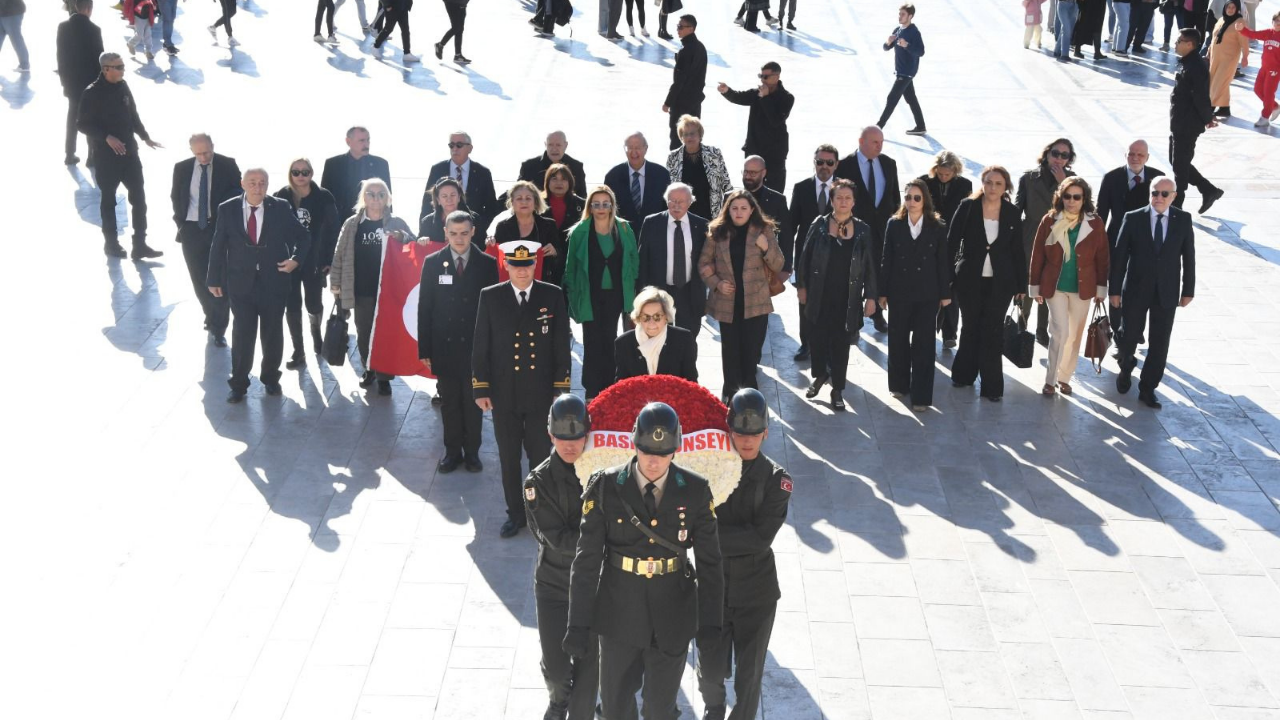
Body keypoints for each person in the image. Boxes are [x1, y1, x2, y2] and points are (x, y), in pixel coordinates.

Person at [564, 402, 723, 720]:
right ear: (634, 444)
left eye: (662, 453)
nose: (653, 461)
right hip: (619, 612)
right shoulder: (606, 486)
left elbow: (711, 565)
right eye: (647, 450)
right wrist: (577, 624)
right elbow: (586, 562)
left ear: (675, 451)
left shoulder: (694, 490)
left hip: (673, 613)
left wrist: (711, 627)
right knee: (614, 708)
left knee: (660, 710)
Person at [696, 389, 792, 720]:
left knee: (749, 678)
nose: (747, 441)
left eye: (754, 434)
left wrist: (706, 537)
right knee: (708, 670)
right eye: (740, 433)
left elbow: (760, 538)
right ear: (729, 431)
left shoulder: (778, 480)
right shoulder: (710, 471)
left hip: (756, 594)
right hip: (713, 589)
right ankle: (713, 708)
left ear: (765, 432)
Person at [473, 240, 572, 538]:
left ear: (534, 265)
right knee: (508, 456)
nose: (521, 271)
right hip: (504, 393)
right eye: (515, 265)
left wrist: (560, 388)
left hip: (540, 392)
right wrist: (481, 388)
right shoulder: (490, 296)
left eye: (527, 264)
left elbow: (560, 345)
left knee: (541, 455)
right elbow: (481, 345)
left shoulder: (551, 295)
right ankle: (515, 513)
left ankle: (540, 512)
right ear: (506, 265)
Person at [523, 394, 599, 720]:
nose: (571, 446)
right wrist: (601, 540)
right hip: (554, 585)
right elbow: (555, 537)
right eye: (563, 438)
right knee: (557, 668)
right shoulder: (537, 482)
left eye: (577, 438)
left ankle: (582, 705)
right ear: (551, 436)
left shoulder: (602, 475)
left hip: (594, 588)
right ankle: (559, 698)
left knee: (589, 667)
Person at [206, 169, 310, 403]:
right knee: (242, 333)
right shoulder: (228, 208)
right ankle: (239, 384)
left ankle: (271, 378)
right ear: (243, 184)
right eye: (252, 182)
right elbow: (218, 245)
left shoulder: (280, 207)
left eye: (262, 183)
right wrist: (213, 279)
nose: (257, 187)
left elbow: (303, 236)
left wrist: (295, 260)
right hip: (240, 284)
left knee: (272, 332)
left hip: (274, 282)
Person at [420, 211, 498, 473]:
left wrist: (491, 350)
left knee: (474, 402)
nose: (459, 238)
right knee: (450, 403)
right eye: (453, 233)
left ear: (473, 231)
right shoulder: (433, 263)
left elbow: (492, 311)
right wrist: (425, 348)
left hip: (476, 347)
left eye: (464, 233)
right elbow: (425, 307)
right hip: (445, 346)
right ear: (446, 233)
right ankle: (452, 452)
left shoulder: (487, 264)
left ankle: (472, 452)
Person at [1110, 176, 1195, 409]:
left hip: (1166, 292)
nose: (1158, 198)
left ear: (1173, 196)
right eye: (1154, 193)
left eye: (1164, 194)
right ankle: (1126, 366)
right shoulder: (1133, 217)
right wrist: (1114, 291)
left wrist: (1188, 290)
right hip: (1136, 289)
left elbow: (1189, 257)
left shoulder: (1183, 220)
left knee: (1160, 342)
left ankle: (1148, 388)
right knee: (1128, 335)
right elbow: (1119, 257)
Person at [795, 179, 877, 411]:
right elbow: (804, 257)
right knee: (817, 339)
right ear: (831, 200)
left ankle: (837, 389)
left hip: (848, 297)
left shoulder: (862, 230)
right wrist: (802, 286)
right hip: (819, 294)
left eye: (847, 198)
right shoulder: (819, 224)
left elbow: (870, 265)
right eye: (839, 197)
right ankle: (820, 375)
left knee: (841, 344)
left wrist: (871, 296)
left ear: (853, 202)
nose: (843, 202)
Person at [330, 179, 416, 396]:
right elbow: (339, 254)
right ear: (363, 197)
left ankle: (385, 376)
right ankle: (369, 369)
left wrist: (402, 237)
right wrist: (336, 283)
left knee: (386, 333)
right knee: (365, 332)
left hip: (389, 290)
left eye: (380, 194)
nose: (376, 198)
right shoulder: (352, 224)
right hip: (361, 289)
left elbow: (413, 246)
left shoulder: (396, 222)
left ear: (387, 198)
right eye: (371, 194)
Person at [949, 166, 1026, 402]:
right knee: (971, 326)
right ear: (982, 183)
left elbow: (1017, 251)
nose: (992, 188)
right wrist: (946, 278)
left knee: (993, 331)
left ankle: (992, 386)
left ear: (1006, 188)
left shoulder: (1012, 213)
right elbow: (951, 242)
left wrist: (1022, 286)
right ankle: (964, 375)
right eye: (989, 182)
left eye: (998, 184)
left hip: (1001, 282)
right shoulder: (968, 207)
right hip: (969, 279)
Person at [700, 190, 785, 403]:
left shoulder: (763, 230)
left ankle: (750, 393)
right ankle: (729, 391)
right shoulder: (717, 231)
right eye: (734, 208)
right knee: (730, 349)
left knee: (752, 349)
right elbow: (704, 263)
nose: (739, 212)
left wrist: (766, 248)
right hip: (728, 302)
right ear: (728, 209)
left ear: (752, 210)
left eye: (743, 208)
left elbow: (778, 264)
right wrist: (717, 283)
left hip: (756, 302)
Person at [78, 52, 165, 260]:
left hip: (130, 154)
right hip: (106, 158)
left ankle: (140, 244)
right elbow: (81, 124)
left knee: (139, 198)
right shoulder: (91, 93)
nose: (123, 70)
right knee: (108, 201)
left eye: (123, 66)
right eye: (118, 67)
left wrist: (145, 137)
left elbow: (132, 114)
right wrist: (106, 137)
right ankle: (111, 243)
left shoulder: (123, 86)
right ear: (106, 69)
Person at [1028, 177, 1108, 397]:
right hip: (1055, 287)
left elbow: (1102, 258)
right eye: (1067, 196)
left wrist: (1102, 290)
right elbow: (1037, 255)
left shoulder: (1095, 223)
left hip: (1083, 289)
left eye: (1076, 197)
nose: (1071, 201)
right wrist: (1035, 287)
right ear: (1060, 197)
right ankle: (1050, 380)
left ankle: (1065, 377)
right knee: (1060, 332)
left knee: (1074, 336)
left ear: (1084, 199)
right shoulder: (1050, 220)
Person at [880, 179, 952, 411]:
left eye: (916, 198)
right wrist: (882, 292)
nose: (911, 202)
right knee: (898, 339)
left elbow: (942, 262)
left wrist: (945, 293)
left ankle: (921, 396)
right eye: (908, 197)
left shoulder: (937, 226)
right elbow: (886, 259)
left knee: (924, 344)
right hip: (899, 292)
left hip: (927, 293)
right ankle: (899, 384)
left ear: (925, 201)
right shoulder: (894, 224)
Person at [564, 186, 640, 399]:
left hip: (616, 293)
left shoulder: (623, 228)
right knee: (591, 339)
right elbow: (571, 267)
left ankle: (610, 387)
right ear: (589, 206)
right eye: (596, 204)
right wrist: (572, 296)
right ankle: (591, 389)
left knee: (611, 338)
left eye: (605, 204)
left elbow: (633, 257)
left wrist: (631, 282)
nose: (601, 208)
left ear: (612, 206)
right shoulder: (580, 231)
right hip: (590, 293)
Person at [170, 133, 242, 346]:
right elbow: (176, 196)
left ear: (213, 146)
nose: (203, 157)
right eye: (198, 153)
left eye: (207, 152)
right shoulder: (181, 168)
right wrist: (181, 224)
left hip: (217, 228)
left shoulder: (227, 165)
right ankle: (210, 315)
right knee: (199, 278)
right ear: (191, 150)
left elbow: (239, 192)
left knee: (219, 278)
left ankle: (219, 326)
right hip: (191, 229)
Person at [275, 158, 339, 368]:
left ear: (312, 173)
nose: (300, 176)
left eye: (305, 172)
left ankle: (317, 337)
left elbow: (333, 230)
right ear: (290, 174)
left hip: (315, 260)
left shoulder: (323, 196)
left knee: (313, 303)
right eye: (296, 172)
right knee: (291, 305)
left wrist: (329, 259)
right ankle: (298, 350)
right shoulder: (281, 196)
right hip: (288, 262)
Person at [834, 126, 899, 333]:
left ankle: (877, 314)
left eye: (881, 142)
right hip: (853, 230)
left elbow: (894, 196)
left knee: (878, 273)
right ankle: (851, 319)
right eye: (875, 142)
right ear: (861, 142)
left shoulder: (889, 164)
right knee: (852, 274)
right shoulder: (844, 165)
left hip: (882, 231)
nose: (879, 146)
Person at [1016, 138, 1076, 346]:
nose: (1059, 159)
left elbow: (1081, 210)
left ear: (1069, 159)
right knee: (1027, 280)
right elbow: (1018, 209)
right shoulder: (1029, 178)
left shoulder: (1073, 181)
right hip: (1031, 234)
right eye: (1055, 153)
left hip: (1058, 237)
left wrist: (1063, 183)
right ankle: (1021, 322)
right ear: (1047, 154)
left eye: (1064, 155)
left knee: (1049, 282)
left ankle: (1042, 329)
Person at [787, 144, 839, 362]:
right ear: (814, 162)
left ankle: (827, 347)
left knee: (830, 303)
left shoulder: (844, 189)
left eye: (829, 162)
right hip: (806, 257)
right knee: (804, 301)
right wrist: (787, 262)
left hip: (835, 257)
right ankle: (806, 344)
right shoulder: (802, 188)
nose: (824, 167)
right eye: (820, 162)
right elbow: (791, 226)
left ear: (836, 164)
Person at [637, 183, 709, 339]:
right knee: (659, 339)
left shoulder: (702, 225)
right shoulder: (651, 223)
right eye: (672, 201)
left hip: (690, 293)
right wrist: (642, 295)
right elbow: (643, 262)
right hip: (660, 293)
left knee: (689, 338)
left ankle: (687, 364)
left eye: (681, 201)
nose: (676, 205)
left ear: (690, 202)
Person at [918, 151, 971, 350]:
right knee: (929, 287)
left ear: (955, 171)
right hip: (929, 240)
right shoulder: (925, 182)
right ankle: (929, 328)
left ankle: (950, 332)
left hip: (954, 242)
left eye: (947, 174)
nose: (943, 177)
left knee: (951, 289)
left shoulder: (964, 185)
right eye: (940, 174)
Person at [716, 62, 795, 191]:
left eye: (765, 76)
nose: (762, 79)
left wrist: (765, 98)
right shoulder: (756, 93)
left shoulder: (786, 98)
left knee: (774, 190)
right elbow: (739, 97)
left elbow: (775, 120)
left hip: (774, 153)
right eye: (760, 76)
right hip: (754, 149)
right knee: (751, 189)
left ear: (777, 76)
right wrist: (726, 91)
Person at [1170, 28, 1225, 212]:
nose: (1176, 43)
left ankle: (1177, 205)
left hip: (1187, 124)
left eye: (1179, 41)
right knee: (1178, 161)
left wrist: (1208, 118)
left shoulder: (1196, 67)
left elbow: (1201, 97)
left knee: (1180, 165)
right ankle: (1208, 190)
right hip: (1179, 122)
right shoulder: (1187, 62)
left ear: (1189, 44)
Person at [615, 287, 698, 382]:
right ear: (638, 318)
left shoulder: (684, 339)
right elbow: (620, 386)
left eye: (657, 316)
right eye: (645, 317)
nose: (651, 322)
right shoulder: (623, 343)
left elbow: (691, 382)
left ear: (666, 317)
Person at [57, 0, 103, 166]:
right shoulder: (94, 30)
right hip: (89, 84)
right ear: (90, 9)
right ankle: (91, 156)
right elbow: (99, 60)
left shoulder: (63, 27)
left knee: (72, 120)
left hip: (71, 83)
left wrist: (64, 82)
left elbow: (60, 58)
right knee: (90, 120)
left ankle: (69, 154)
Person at [425, 131, 499, 235]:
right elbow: (427, 203)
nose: (454, 149)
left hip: (473, 233)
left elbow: (491, 207)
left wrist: (479, 227)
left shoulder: (482, 172)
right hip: (440, 232)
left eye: (459, 145)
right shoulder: (437, 169)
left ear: (470, 148)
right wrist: (426, 230)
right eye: (451, 145)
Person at [666, 116, 733, 225]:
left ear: (700, 135)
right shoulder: (673, 157)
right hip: (683, 213)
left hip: (711, 213)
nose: (689, 137)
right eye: (685, 134)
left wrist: (730, 210)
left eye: (692, 133)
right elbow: (670, 189)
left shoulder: (714, 154)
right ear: (681, 137)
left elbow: (726, 184)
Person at [321, 127, 392, 227]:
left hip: (372, 224)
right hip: (340, 224)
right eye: (362, 140)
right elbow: (325, 198)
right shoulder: (333, 164)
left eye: (368, 140)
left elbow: (387, 197)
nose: (366, 144)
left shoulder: (380, 164)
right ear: (348, 141)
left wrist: (388, 223)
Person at [737, 156, 793, 277]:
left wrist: (786, 269)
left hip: (764, 269)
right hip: (735, 265)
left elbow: (786, 236)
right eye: (745, 171)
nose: (747, 176)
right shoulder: (731, 198)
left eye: (753, 173)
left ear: (763, 173)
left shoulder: (777, 200)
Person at [492, 181, 559, 282]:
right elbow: (497, 260)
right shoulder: (502, 227)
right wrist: (490, 243)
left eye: (528, 198)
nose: (524, 202)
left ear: (535, 202)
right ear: (512, 202)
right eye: (519, 198)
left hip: (542, 285)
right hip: (512, 286)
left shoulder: (549, 226)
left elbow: (562, 259)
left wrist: (555, 253)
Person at [877, 4, 927, 134]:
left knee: (892, 98)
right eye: (899, 14)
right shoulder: (898, 30)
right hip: (901, 71)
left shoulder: (914, 32)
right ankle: (921, 127)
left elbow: (921, 51)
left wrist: (907, 45)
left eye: (903, 14)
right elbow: (886, 48)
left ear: (910, 16)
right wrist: (888, 43)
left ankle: (878, 127)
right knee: (911, 99)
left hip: (907, 72)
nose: (900, 16)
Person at [605, 132, 672, 227]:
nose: (634, 152)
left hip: (654, 233)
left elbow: (668, 208)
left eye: (637, 148)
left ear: (646, 148)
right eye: (630, 148)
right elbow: (608, 210)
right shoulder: (612, 176)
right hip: (623, 234)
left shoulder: (662, 174)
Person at [662, 16, 708, 150]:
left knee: (677, 139)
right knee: (694, 139)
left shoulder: (686, 51)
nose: (678, 29)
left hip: (682, 103)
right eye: (678, 26)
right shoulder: (700, 47)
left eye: (681, 27)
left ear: (691, 29)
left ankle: (676, 169)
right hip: (695, 101)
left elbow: (680, 81)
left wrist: (668, 102)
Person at [542, 164, 585, 289]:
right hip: (545, 264)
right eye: (554, 178)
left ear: (570, 182)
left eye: (564, 179)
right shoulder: (536, 203)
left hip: (573, 263)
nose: (559, 183)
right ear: (547, 181)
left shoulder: (581, 205)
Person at [1238, 12, 1280, 128]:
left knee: (1268, 92)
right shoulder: (1268, 33)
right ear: (1272, 22)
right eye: (1276, 20)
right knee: (1257, 89)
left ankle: (1265, 117)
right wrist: (1242, 30)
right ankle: (1274, 106)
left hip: (1275, 71)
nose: (1278, 23)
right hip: (1264, 68)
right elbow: (1253, 34)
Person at [1207, 2, 1248, 117]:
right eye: (1228, 7)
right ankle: (1225, 108)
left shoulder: (1239, 22)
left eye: (1233, 7)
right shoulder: (1221, 20)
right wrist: (1209, 49)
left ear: (1237, 9)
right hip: (1216, 57)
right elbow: (1214, 36)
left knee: (1218, 81)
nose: (1230, 10)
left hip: (1229, 58)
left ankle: (1211, 106)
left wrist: (1245, 57)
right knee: (1218, 80)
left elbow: (1244, 42)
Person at [518, 131, 587, 196]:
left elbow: (583, 197)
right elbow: (517, 193)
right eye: (550, 145)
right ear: (545, 145)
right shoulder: (528, 167)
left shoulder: (576, 167)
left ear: (565, 145)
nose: (554, 149)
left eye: (558, 145)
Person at [418, 177, 480, 247]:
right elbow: (417, 248)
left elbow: (482, 245)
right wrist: (421, 240)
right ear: (438, 200)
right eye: (444, 196)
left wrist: (489, 240)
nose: (449, 199)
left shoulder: (475, 219)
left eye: (453, 195)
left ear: (459, 197)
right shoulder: (427, 222)